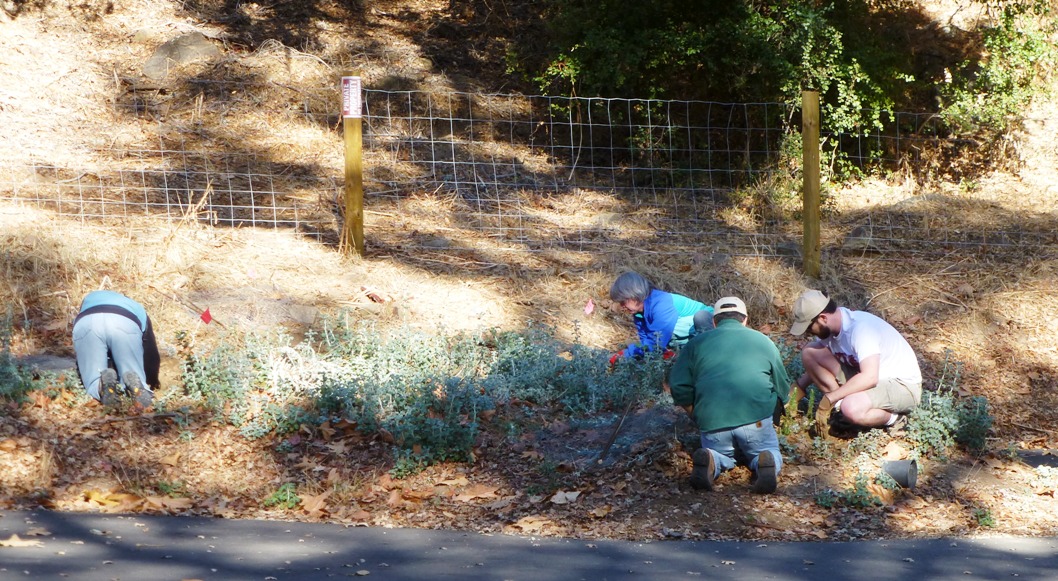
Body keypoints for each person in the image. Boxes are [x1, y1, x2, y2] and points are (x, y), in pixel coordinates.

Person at [668, 296, 790, 494]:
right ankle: (764, 460)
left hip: (713, 421)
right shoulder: (762, 340)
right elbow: (782, 384)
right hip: (756, 419)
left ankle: (711, 459)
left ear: (714, 322)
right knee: (768, 450)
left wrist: (695, 413)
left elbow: (678, 386)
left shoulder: (695, 344)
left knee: (721, 454)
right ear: (745, 320)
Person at [789, 289, 921, 436]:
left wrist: (831, 397)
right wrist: (797, 389)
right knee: (810, 352)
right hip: (869, 377)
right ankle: (839, 411)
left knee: (852, 407)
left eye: (808, 327)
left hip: (901, 386)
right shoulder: (829, 330)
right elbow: (817, 366)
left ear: (823, 318)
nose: (808, 332)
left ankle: (895, 419)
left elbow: (870, 377)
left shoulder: (861, 330)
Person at [72, 290, 159, 407]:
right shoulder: (136, 307)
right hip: (125, 321)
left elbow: (82, 356)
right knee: (132, 372)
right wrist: (152, 381)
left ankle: (101, 386)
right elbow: (151, 354)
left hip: (87, 321)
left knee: (92, 380)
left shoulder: (88, 299)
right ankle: (138, 388)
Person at [608, 271, 713, 365]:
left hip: (713, 329)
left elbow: (656, 343)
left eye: (623, 302)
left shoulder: (661, 304)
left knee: (701, 317)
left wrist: (625, 354)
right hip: (688, 342)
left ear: (634, 295)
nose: (622, 307)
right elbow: (646, 344)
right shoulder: (639, 314)